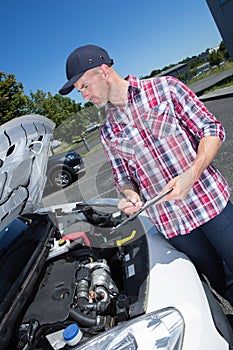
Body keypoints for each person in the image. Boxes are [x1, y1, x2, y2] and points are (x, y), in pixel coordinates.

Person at [59, 44, 233, 303]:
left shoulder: (166, 88)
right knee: (221, 283)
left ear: (103, 71)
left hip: (210, 205)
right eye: (79, 91)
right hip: (175, 226)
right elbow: (123, 177)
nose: (84, 96)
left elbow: (211, 129)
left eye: (84, 86)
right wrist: (130, 196)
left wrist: (193, 172)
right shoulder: (107, 131)